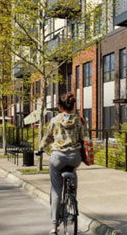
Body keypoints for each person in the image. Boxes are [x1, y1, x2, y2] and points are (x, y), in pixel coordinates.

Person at [38, 92, 85, 235]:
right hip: (74, 157)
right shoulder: (79, 120)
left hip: (58, 158)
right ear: (72, 106)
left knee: (56, 191)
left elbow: (47, 137)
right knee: (73, 173)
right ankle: (72, 199)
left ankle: (53, 226)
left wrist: (40, 148)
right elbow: (83, 138)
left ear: (60, 107)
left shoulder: (54, 120)